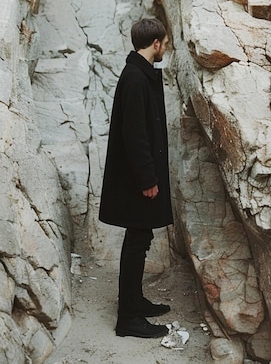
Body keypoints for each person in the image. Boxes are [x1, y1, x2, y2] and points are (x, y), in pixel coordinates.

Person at [99, 18, 173, 339]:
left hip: (138, 177)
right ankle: (128, 317)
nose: (166, 47)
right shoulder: (135, 79)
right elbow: (134, 135)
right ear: (155, 43)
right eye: (164, 42)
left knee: (139, 240)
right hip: (136, 180)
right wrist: (147, 178)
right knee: (136, 243)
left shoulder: (139, 75)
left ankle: (135, 302)